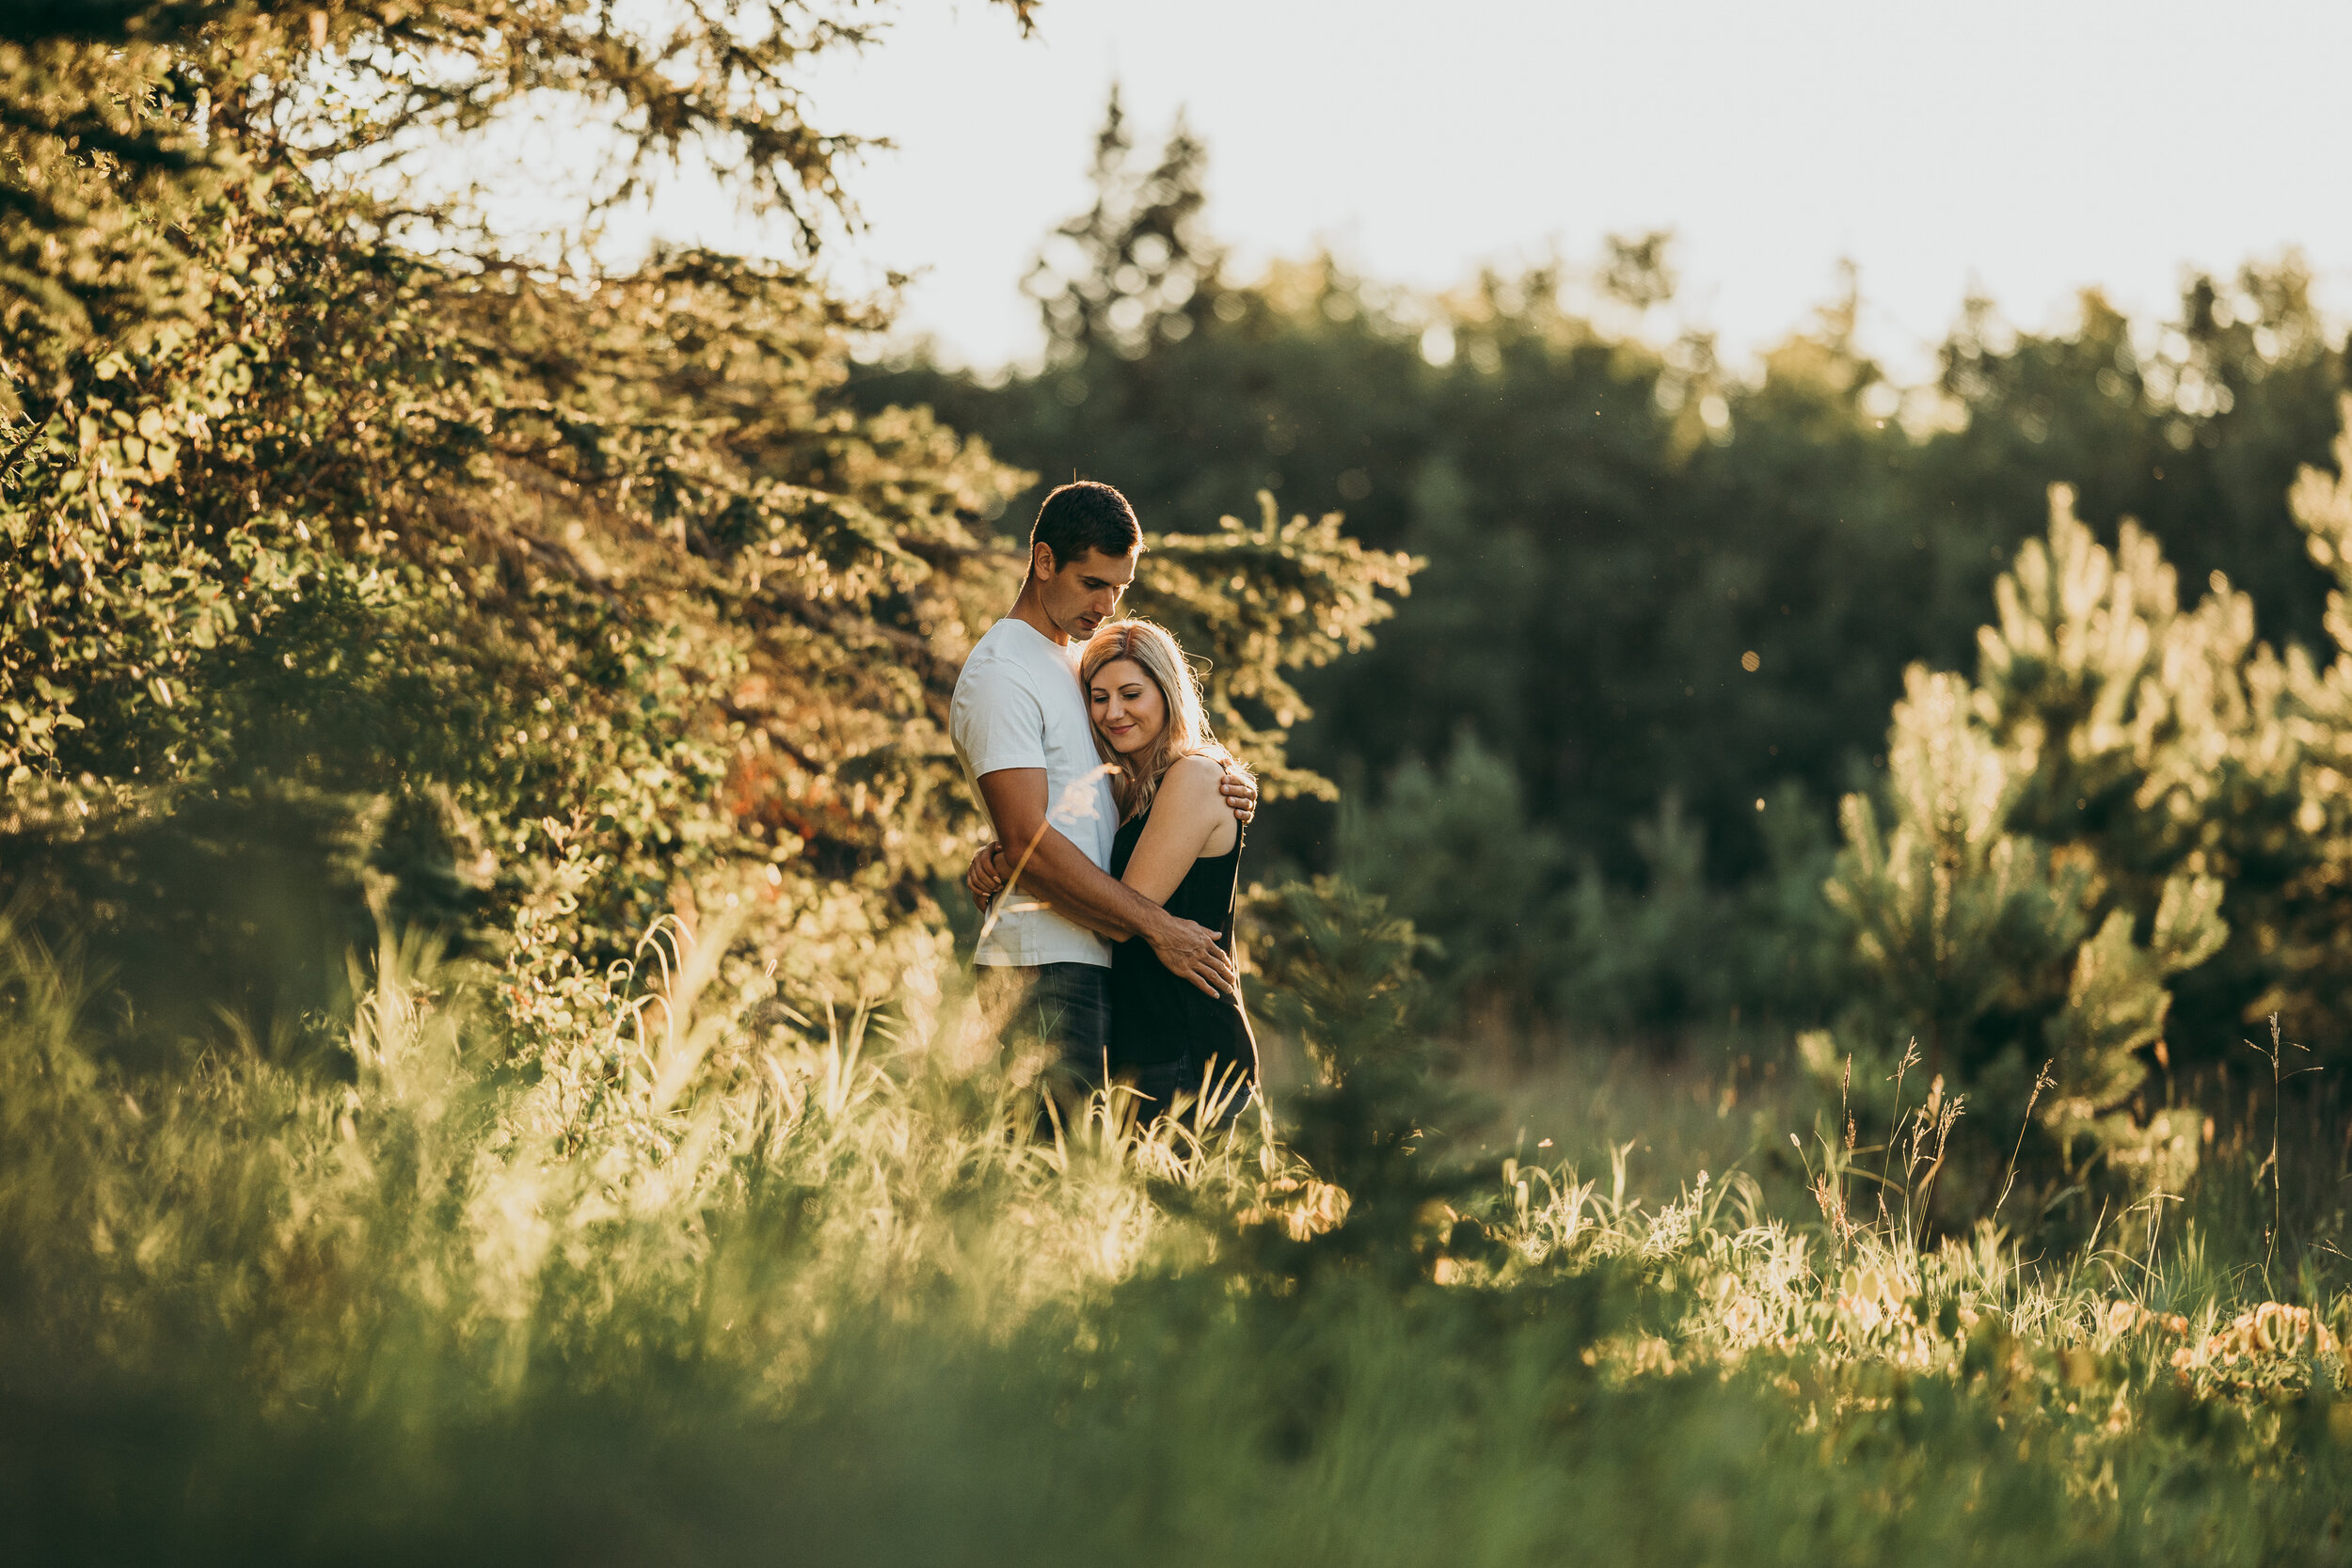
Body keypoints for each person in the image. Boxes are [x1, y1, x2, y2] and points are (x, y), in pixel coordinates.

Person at [947, 481, 1255, 1098]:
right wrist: (1158, 926)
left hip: (1094, 964)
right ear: (1043, 561)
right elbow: (1028, 836)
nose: (1107, 604)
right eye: (1093, 583)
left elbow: (1102, 794)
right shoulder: (1003, 671)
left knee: (1084, 1179)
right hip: (1040, 966)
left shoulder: (1076, 659)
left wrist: (1221, 775)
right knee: (1040, 1176)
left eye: (1120, 588)